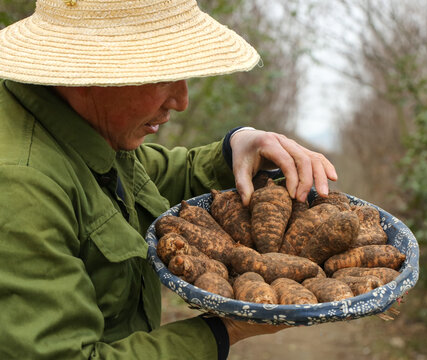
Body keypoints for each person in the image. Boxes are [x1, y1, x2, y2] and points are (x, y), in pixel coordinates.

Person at [0, 0, 337, 359]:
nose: (182, 100)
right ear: (89, 74)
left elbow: (147, 178)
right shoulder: (21, 186)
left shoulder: (85, 131)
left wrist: (237, 147)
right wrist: (226, 330)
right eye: (162, 77)